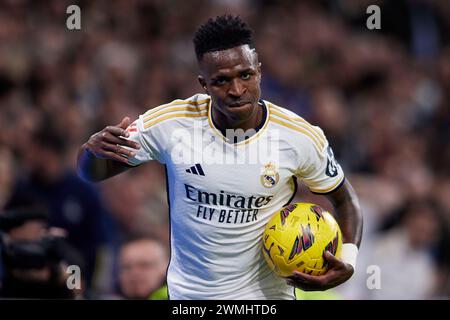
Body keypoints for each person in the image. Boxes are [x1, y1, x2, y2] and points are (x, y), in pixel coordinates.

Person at [77, 15, 363, 300]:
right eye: (221, 81)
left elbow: (345, 199)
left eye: (245, 75)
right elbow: (91, 171)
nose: (236, 90)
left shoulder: (299, 136)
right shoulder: (171, 123)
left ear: (259, 71)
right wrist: (91, 152)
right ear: (204, 84)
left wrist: (348, 259)